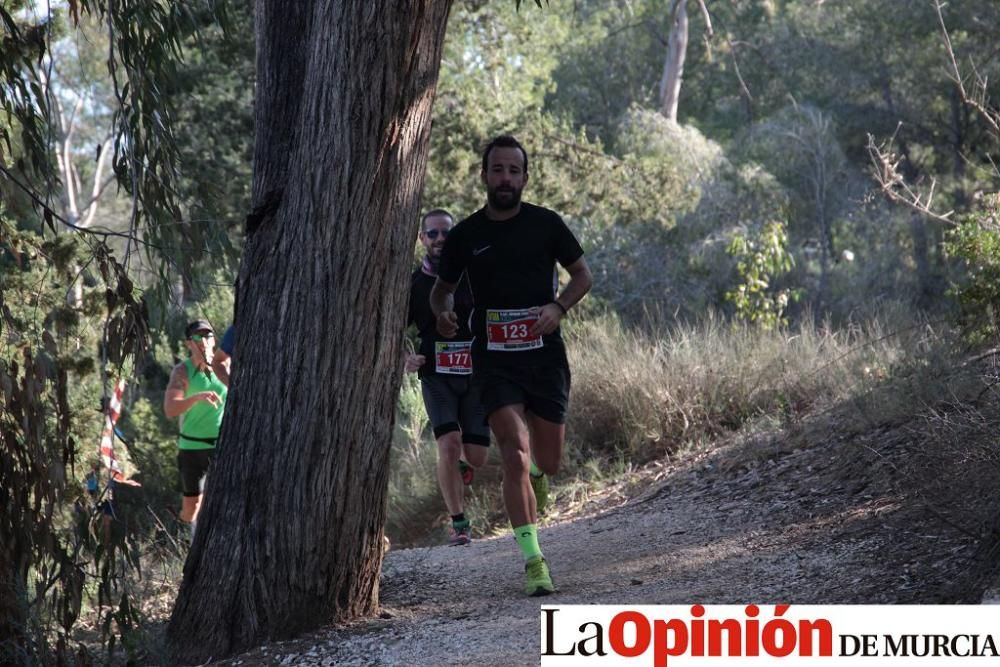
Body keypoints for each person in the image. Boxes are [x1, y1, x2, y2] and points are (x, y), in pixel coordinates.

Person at [431, 135, 593, 596]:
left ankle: (539, 477)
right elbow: (440, 291)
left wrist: (558, 308)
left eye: (513, 171)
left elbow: (583, 275)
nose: (505, 178)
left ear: (524, 178)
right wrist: (443, 313)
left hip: (544, 358)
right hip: (493, 360)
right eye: (497, 170)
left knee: (548, 460)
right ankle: (533, 560)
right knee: (513, 452)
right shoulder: (464, 235)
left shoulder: (546, 224)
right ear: (484, 175)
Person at [405, 209, 490, 546]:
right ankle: (460, 524)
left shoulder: (474, 276)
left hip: (475, 377)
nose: (440, 239)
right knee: (448, 445)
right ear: (422, 239)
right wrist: (405, 357)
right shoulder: (414, 283)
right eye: (433, 234)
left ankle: (464, 465)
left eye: (446, 233)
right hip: (437, 378)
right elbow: (391, 327)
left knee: (478, 456)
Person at [163, 319, 227, 536]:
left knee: (223, 503)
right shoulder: (182, 372)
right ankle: (182, 542)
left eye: (208, 336)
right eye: (198, 337)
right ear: (188, 343)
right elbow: (170, 409)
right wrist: (197, 397)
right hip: (192, 448)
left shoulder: (225, 368)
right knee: (192, 507)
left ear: (214, 340)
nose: (204, 341)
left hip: (222, 447)